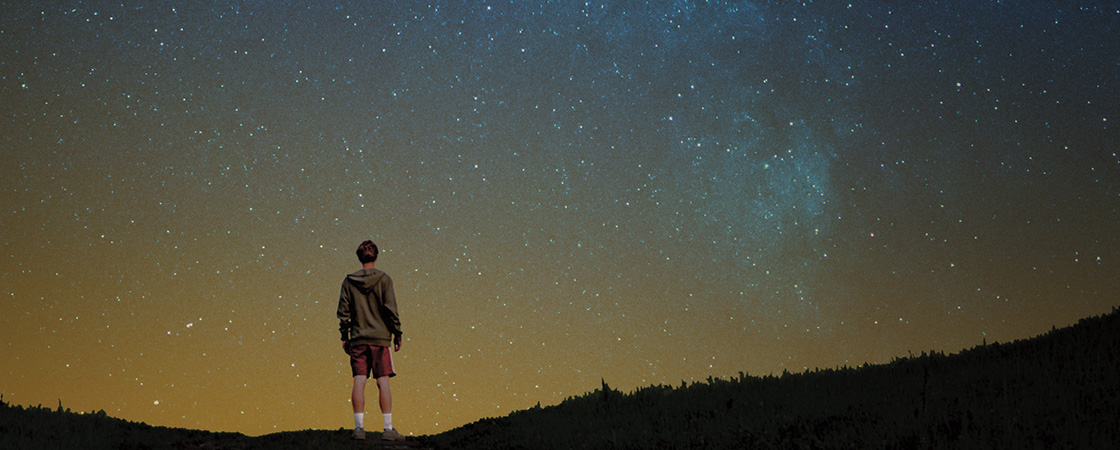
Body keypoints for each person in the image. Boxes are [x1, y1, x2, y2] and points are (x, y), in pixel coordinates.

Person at [337, 240, 404, 441]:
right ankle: (388, 429)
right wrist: (398, 333)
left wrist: (344, 336)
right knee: (383, 382)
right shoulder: (384, 280)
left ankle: (359, 428)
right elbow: (391, 310)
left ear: (359, 257)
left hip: (358, 338)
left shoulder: (349, 281)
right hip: (381, 338)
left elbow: (343, 312)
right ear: (376, 256)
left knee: (359, 381)